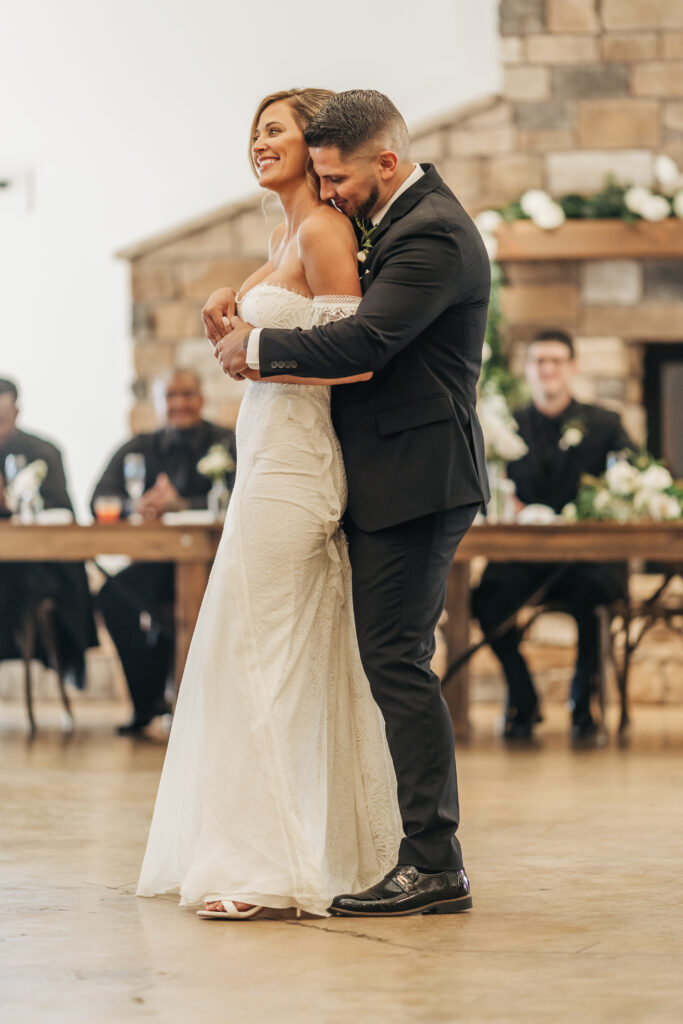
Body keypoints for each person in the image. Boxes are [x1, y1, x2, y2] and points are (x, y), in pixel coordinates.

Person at [202, 89, 490, 918]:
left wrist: (251, 346)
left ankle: (434, 863)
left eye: (339, 178)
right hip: (373, 471)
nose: (331, 194)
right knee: (377, 661)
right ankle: (367, 845)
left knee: (396, 663)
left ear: (386, 162)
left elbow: (366, 342)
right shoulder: (383, 217)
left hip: (417, 477)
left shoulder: (431, 229)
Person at [137, 88, 405, 920]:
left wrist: (253, 353)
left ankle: (270, 863)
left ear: (313, 143)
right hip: (265, 453)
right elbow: (256, 308)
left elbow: (356, 358)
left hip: (297, 461)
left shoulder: (324, 229)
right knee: (252, 644)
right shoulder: (284, 232)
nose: (260, 140)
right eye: (255, 129)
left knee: (264, 649)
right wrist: (232, 303)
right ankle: (273, 842)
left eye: (276, 129)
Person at [472, 330, 633, 744]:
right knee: (487, 597)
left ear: (572, 368)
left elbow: (627, 475)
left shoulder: (604, 423)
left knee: (597, 596)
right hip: (523, 558)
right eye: (539, 361)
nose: (548, 369)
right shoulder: (506, 425)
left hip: (585, 560)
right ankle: (523, 698)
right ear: (528, 370)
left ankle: (583, 700)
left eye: (556, 361)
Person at [92, 368, 236, 735]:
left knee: (185, 614)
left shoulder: (226, 442)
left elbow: (243, 496)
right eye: (171, 396)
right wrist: (133, 507)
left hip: (216, 565)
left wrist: (182, 504)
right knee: (111, 597)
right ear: (158, 403)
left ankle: (199, 710)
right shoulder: (137, 447)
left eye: (187, 394)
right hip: (156, 565)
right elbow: (99, 499)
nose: (179, 403)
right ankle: (148, 701)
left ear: (200, 398)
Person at [0, 377, 97, 689]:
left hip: (31, 566)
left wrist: (11, 505)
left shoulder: (43, 452)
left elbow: (61, 511)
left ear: (16, 412)